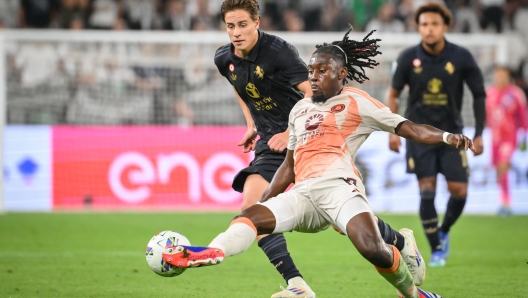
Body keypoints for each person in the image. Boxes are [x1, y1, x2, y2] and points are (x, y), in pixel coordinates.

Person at [161, 28, 475, 298]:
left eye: (322, 71)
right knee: (249, 216)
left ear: (341, 73)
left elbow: (408, 127)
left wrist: (447, 137)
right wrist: (266, 204)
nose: (314, 77)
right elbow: (289, 166)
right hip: (305, 195)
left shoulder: (357, 101)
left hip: (341, 190)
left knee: (371, 248)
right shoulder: (300, 110)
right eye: (311, 71)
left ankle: (414, 293)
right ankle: (211, 252)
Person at [214, 1, 425, 296]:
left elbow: (312, 95)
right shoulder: (224, 58)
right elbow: (240, 87)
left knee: (342, 222)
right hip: (268, 145)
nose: (236, 32)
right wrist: (251, 123)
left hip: (304, 139)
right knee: (252, 210)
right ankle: (297, 285)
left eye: (242, 25)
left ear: (257, 22)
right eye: (230, 26)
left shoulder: (279, 52)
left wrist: (290, 131)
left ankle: (401, 244)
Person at [386, 3, 486, 267]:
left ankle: (443, 230)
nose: (429, 29)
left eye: (434, 24)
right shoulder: (408, 57)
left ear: (444, 26)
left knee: (459, 191)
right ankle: (436, 249)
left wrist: (479, 133)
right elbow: (393, 94)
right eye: (424, 25)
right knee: (426, 189)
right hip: (419, 136)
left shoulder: (462, 57)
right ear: (418, 28)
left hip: (453, 136)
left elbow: (479, 95)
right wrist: (392, 131)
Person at [486, 65, 527, 216]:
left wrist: (525, 134)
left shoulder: (515, 93)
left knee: (503, 165)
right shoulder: (489, 93)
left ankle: (506, 202)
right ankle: (503, 201)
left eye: (502, 74)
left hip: (510, 136)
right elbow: (486, 116)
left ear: (508, 75)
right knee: (498, 169)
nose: (499, 77)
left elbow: (523, 114)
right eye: (497, 74)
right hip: (495, 138)